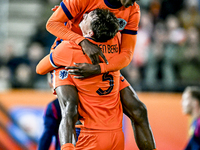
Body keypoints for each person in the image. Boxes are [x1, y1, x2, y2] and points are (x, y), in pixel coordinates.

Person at [46, 0, 156, 149]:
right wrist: (82, 42)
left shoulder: (133, 10)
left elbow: (126, 54)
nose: (132, 2)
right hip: (68, 60)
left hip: (102, 63)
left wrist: (100, 68)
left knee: (138, 109)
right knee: (71, 108)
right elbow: (51, 24)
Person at [37, 8, 125, 150]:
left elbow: (40, 69)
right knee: (138, 110)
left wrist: (59, 59)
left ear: (90, 32)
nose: (83, 15)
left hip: (89, 135)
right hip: (116, 134)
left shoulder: (69, 49)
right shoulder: (116, 42)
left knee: (69, 107)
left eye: (87, 17)